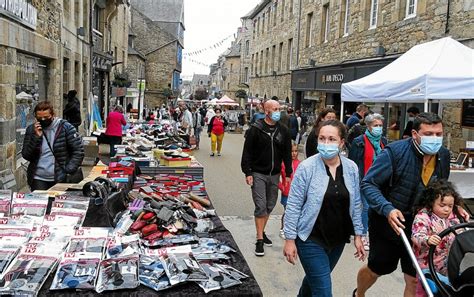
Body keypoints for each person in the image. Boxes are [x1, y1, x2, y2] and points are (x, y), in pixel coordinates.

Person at [353, 113, 470, 297]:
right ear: (415, 134)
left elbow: (441, 189)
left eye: (438, 134)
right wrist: (387, 208)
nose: (435, 139)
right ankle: (359, 293)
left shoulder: (444, 156)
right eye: (429, 134)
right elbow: (368, 184)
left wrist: (457, 206)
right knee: (378, 268)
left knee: (415, 277)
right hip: (388, 221)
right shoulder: (394, 153)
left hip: (420, 224)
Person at [283, 120, 366, 297]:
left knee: (314, 281)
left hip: (337, 240)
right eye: (322, 138)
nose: (326, 143)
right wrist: (290, 239)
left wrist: (359, 235)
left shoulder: (351, 168)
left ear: (342, 142)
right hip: (310, 238)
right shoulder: (307, 168)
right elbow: (293, 205)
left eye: (331, 139)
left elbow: (356, 203)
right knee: (323, 291)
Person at [241, 99, 292, 257]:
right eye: (275, 109)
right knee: (261, 205)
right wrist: (248, 172)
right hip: (258, 173)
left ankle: (261, 231)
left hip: (275, 174)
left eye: (279, 108)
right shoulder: (256, 129)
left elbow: (287, 153)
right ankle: (259, 239)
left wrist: (288, 173)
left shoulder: (283, 130)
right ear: (266, 111)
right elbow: (247, 152)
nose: (278, 111)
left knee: (270, 205)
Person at [411, 180, 464, 297]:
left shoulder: (453, 217)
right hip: (426, 266)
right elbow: (416, 235)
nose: (447, 209)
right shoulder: (423, 216)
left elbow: (459, 232)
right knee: (424, 291)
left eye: (450, 206)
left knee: (447, 291)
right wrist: (427, 240)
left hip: (447, 265)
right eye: (442, 205)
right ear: (431, 203)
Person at [22, 101, 84, 191]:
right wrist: (36, 137)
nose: (43, 120)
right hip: (38, 178)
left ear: (53, 115)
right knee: (41, 203)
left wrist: (69, 169)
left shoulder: (66, 128)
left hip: (60, 177)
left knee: (58, 204)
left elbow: (78, 151)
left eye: (46, 117)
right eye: (39, 118)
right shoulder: (32, 129)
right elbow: (26, 155)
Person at [348, 113, 388, 250]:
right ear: (369, 126)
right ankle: (363, 234)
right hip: (365, 179)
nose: (378, 128)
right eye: (375, 125)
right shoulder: (359, 141)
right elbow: (353, 162)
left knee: (376, 208)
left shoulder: (384, 141)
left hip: (381, 181)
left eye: (380, 125)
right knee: (365, 207)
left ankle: (372, 233)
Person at [278, 141, 300, 239]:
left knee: (296, 212)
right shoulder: (283, 164)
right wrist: (282, 187)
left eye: (296, 151)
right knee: (287, 212)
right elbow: (276, 178)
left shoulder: (300, 164)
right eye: (291, 151)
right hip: (286, 193)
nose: (294, 153)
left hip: (297, 193)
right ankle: (283, 228)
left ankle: (293, 228)